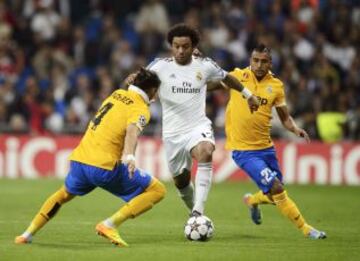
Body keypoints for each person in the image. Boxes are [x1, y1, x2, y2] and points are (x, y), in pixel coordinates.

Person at [15, 68, 166, 247]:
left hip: (80, 160)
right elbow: (132, 132)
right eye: (156, 91)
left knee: (62, 195)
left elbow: (124, 105)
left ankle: (27, 234)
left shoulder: (117, 94)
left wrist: (131, 83)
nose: (156, 95)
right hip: (104, 167)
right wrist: (130, 156)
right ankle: (109, 225)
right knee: (158, 190)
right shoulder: (140, 109)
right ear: (151, 91)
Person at [145, 23, 259, 217]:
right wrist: (132, 81)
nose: (180, 51)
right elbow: (138, 84)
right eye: (176, 46)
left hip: (197, 127)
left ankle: (198, 212)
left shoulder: (205, 66)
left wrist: (248, 95)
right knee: (181, 182)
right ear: (171, 46)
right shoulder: (159, 66)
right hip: (172, 134)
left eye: (185, 46)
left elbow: (228, 78)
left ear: (193, 46)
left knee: (206, 151)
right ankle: (195, 215)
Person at [223, 44, 326, 239]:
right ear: (250, 60)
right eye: (255, 60)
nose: (259, 65)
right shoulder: (237, 77)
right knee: (276, 188)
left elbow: (284, 117)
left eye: (263, 61)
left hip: (266, 148)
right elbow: (213, 80)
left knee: (274, 194)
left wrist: (294, 129)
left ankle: (253, 200)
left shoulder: (276, 86)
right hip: (243, 151)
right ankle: (307, 229)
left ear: (270, 63)